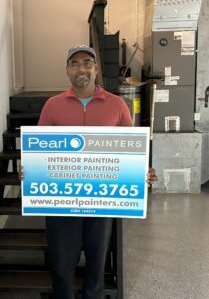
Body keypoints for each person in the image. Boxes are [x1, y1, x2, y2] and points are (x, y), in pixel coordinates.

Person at [36, 45, 158, 299]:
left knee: (96, 265)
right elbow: (39, 152)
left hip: (101, 201)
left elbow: (131, 150)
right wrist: (29, 173)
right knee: (61, 266)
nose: (82, 68)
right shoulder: (52, 106)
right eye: (75, 63)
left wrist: (142, 171)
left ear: (96, 68)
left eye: (87, 63)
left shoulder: (117, 105)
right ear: (68, 71)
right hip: (61, 202)